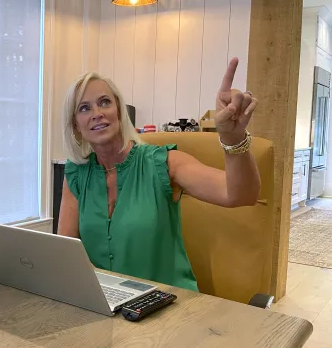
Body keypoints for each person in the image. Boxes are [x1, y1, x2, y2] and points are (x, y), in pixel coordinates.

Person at [57, 57, 260, 291]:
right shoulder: (76, 173)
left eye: (105, 102)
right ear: (75, 125)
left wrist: (232, 137)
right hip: (108, 306)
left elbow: (240, 195)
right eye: (85, 108)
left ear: (119, 112)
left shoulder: (163, 163)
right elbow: (68, 251)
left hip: (167, 307)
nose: (97, 113)